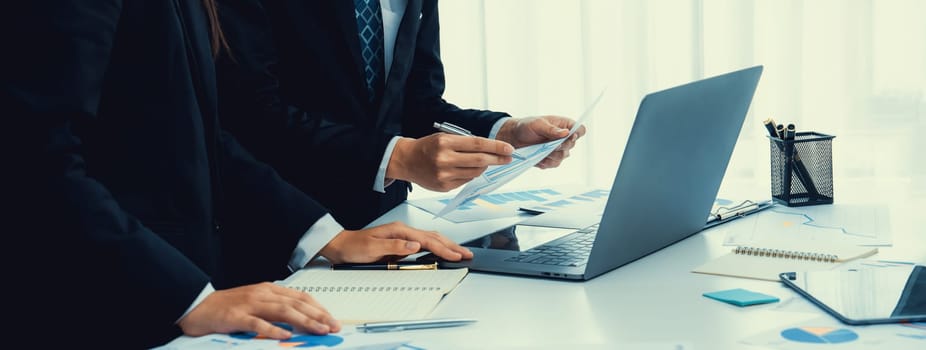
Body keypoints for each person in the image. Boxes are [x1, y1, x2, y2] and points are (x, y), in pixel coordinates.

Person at [2, 1, 471, 347]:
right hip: (99, 306)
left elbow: (202, 137)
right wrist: (187, 297)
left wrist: (325, 236)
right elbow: (34, 162)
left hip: (180, 289)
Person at [215, 0, 588, 229]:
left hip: (389, 224)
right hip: (277, 224)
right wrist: (396, 157)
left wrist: (503, 131)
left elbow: (416, 103)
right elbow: (249, 114)